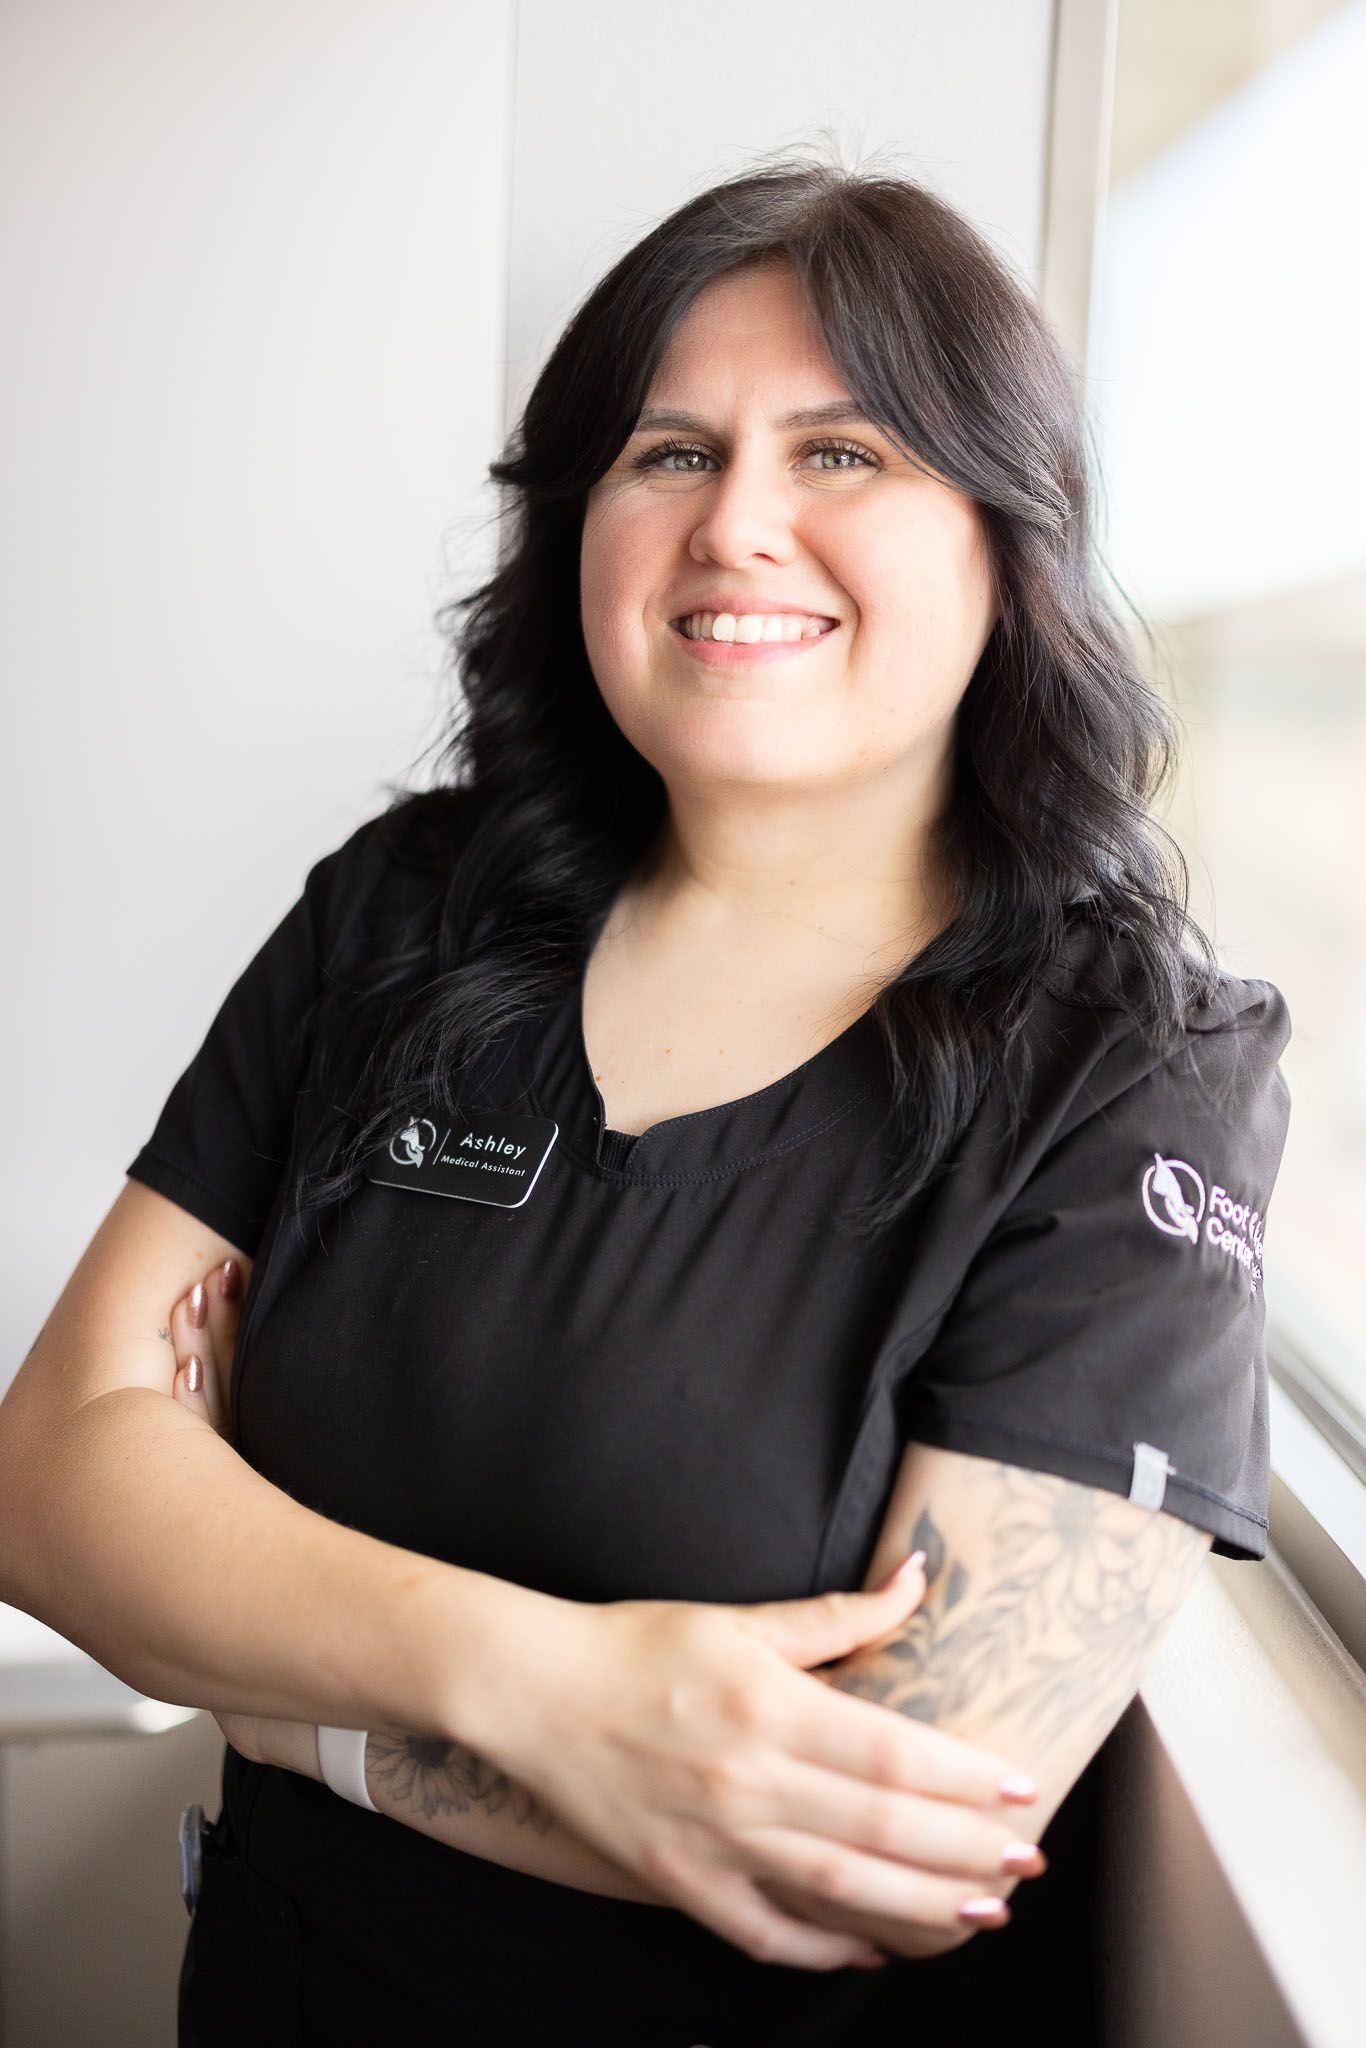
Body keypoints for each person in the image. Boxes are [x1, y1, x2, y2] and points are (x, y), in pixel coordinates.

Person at [0, 155, 1291, 2046]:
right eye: (669, 453)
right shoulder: (402, 913)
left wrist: (263, 1688)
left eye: (842, 452)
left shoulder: (1132, 1064)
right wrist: (542, 1684)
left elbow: (881, 1843)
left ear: (1007, 541)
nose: (735, 525)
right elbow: (47, 1483)